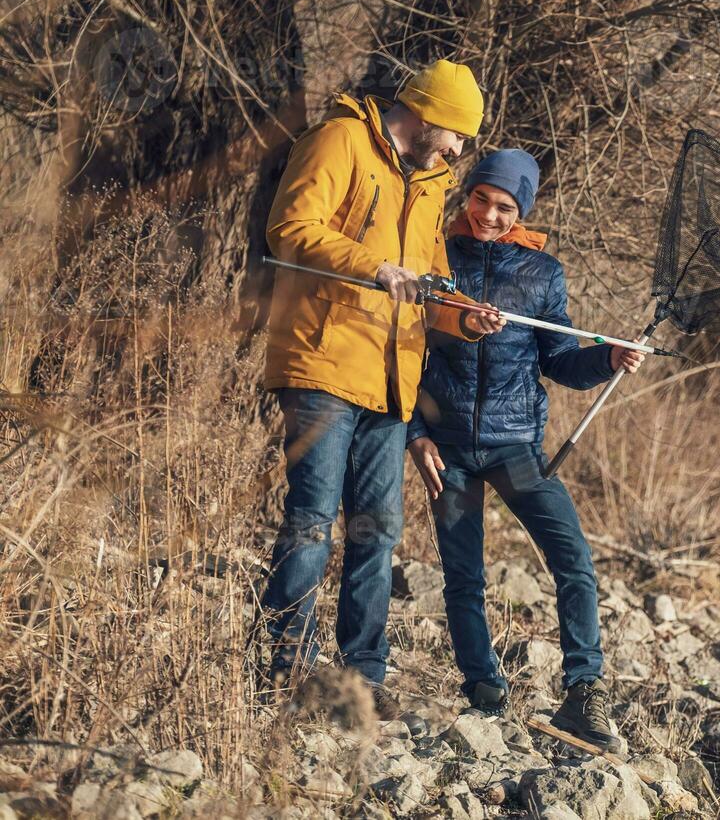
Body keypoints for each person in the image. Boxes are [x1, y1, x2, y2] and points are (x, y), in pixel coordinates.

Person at [259, 59, 505, 734]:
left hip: (393, 384)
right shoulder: (338, 140)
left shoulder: (433, 184)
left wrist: (464, 316)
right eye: (456, 133)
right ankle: (286, 673)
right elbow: (292, 228)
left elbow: (433, 284)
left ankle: (363, 679)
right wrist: (375, 267)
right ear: (424, 115)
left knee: (377, 533)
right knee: (312, 521)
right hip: (321, 362)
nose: (459, 150)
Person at [407, 148, 643, 754]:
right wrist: (415, 433)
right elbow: (403, 351)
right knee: (463, 576)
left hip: (516, 447)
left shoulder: (542, 274)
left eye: (505, 206)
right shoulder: (434, 255)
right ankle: (483, 689)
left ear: (521, 212)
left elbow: (560, 358)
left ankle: (583, 692)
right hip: (449, 447)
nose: (488, 214)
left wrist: (608, 358)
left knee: (573, 561)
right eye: (482, 198)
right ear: (469, 195)